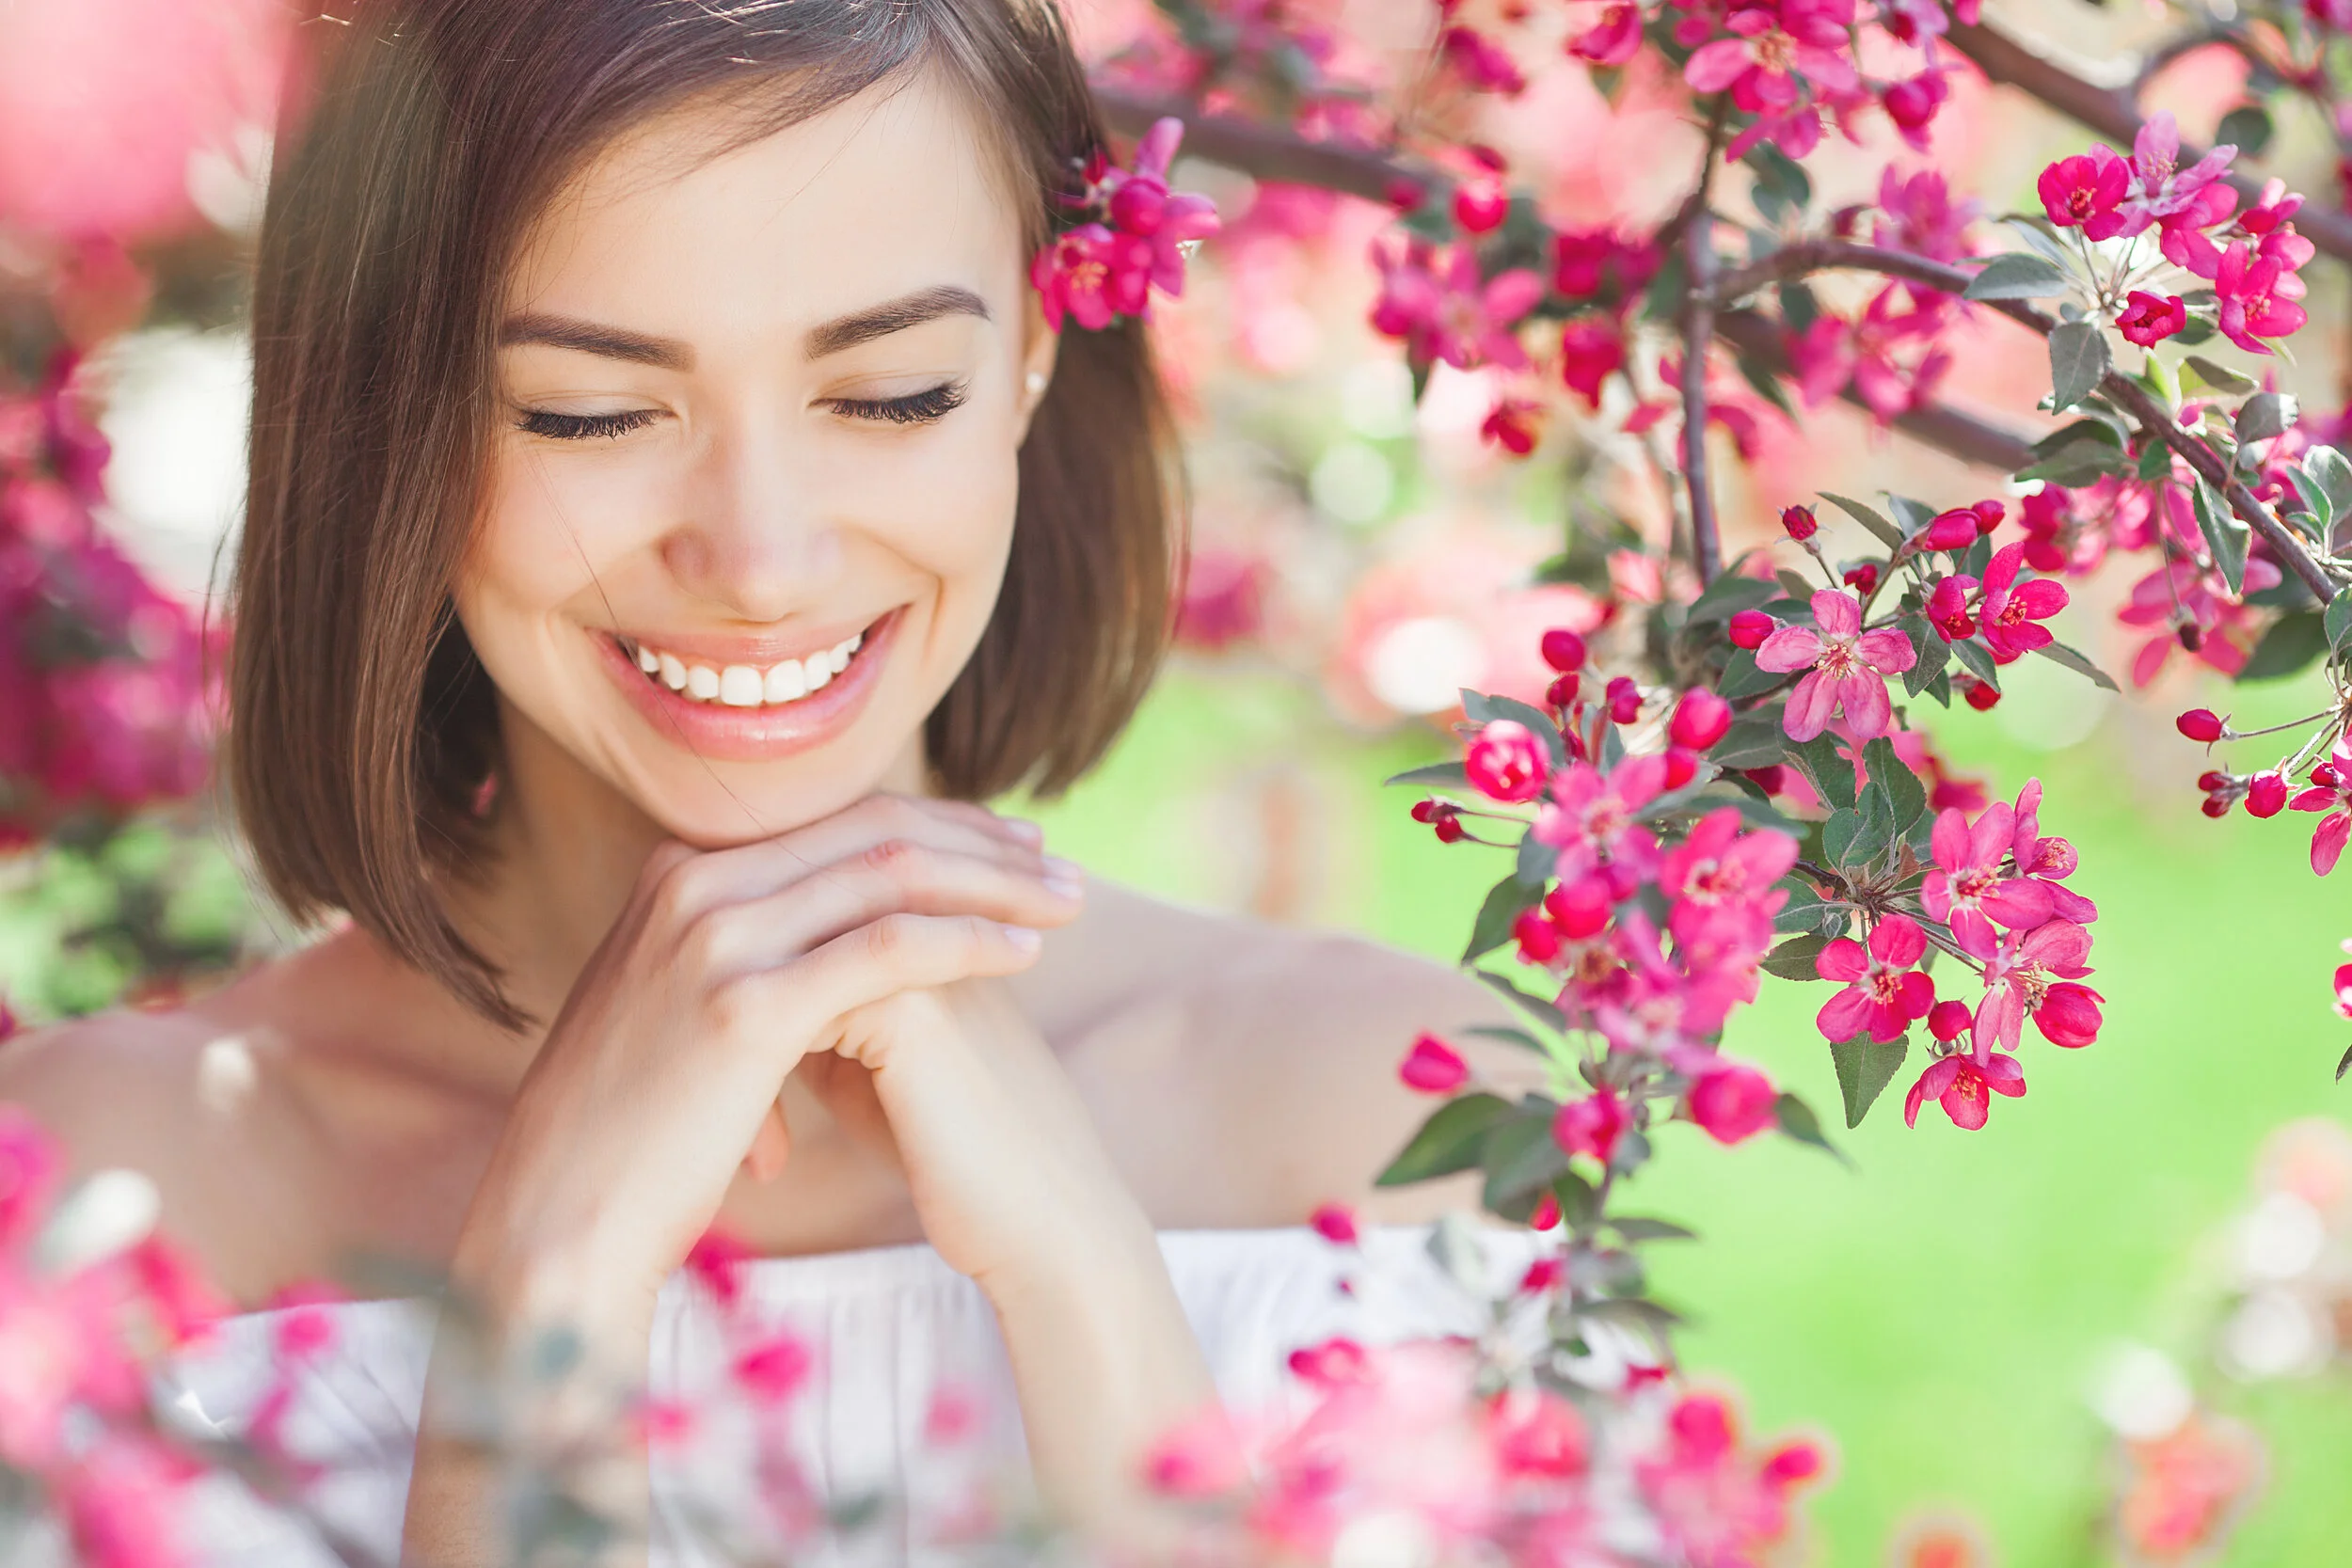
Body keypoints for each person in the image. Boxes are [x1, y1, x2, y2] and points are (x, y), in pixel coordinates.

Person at [0, 0, 1524, 1561]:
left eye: (891, 393)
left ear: (1033, 356)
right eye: (589, 411)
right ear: (386, 420)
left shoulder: (1407, 1116)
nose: (759, 561)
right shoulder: (96, 1210)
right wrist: (552, 1263)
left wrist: (1085, 1279)